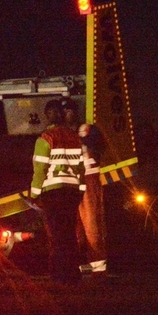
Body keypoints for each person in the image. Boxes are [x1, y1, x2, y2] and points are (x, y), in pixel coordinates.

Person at [30, 99, 86, 285]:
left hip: (53, 193)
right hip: (71, 192)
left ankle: (59, 275)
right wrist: (81, 190)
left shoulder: (45, 139)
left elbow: (40, 170)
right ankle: (73, 274)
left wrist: (34, 194)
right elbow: (81, 168)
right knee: (70, 234)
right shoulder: (74, 137)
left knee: (56, 235)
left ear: (47, 116)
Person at [62, 97, 108, 276]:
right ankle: (83, 260)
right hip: (70, 181)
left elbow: (100, 147)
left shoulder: (87, 129)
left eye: (69, 110)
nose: (66, 114)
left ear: (75, 112)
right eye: (64, 111)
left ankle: (98, 262)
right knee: (75, 224)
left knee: (91, 221)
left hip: (88, 178)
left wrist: (83, 141)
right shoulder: (61, 132)